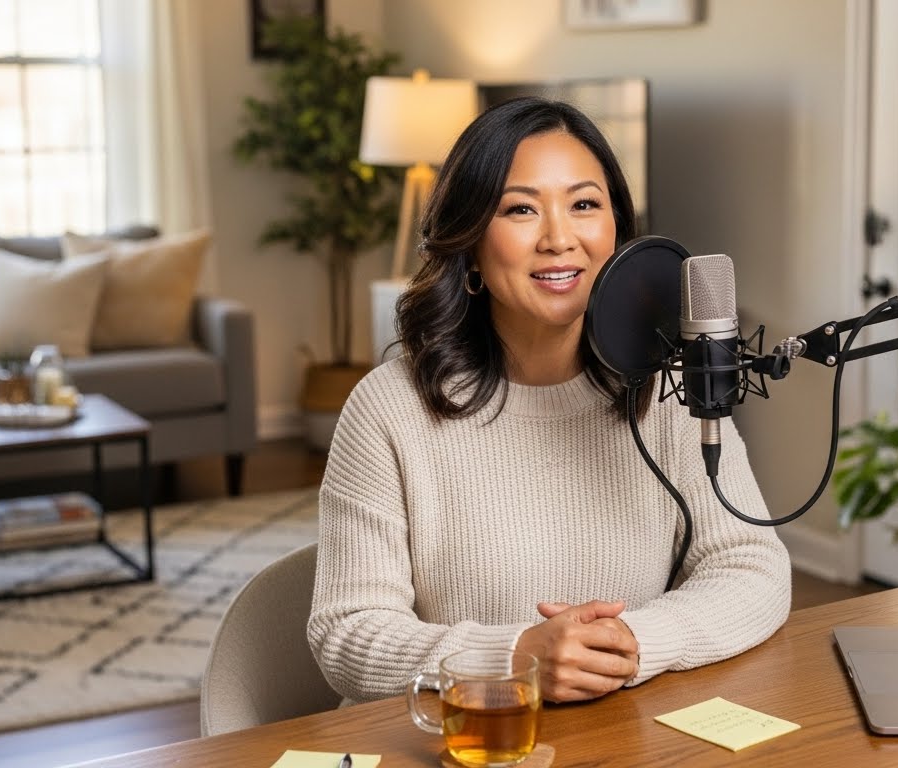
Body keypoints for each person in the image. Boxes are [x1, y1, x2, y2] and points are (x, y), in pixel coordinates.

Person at [308, 97, 791, 705]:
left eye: (585, 204)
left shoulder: (665, 387)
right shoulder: (389, 409)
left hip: (621, 737)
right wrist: (514, 657)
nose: (560, 239)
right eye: (520, 210)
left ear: (616, 229)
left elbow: (753, 566)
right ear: (471, 241)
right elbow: (345, 634)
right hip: (458, 740)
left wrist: (632, 644)